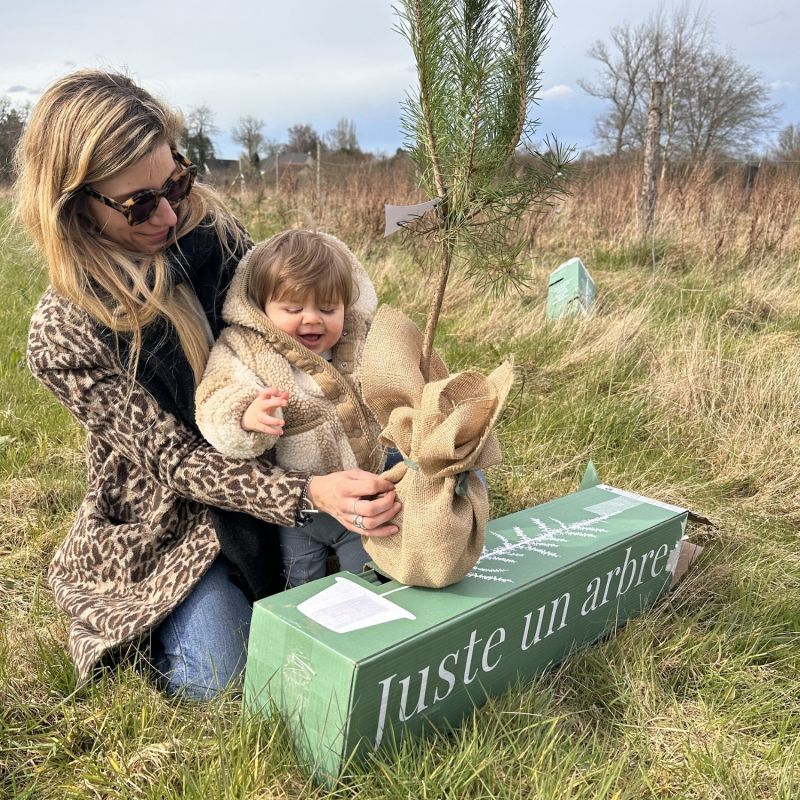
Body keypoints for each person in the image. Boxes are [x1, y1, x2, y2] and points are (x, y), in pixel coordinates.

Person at [15, 69, 400, 701]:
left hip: (289, 450)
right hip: (179, 516)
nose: (168, 213)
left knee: (433, 479)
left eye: (176, 181)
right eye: (139, 204)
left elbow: (295, 331)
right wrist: (311, 495)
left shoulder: (215, 238)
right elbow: (178, 463)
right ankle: (159, 624)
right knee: (226, 677)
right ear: (73, 206)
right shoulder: (62, 335)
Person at [195, 230, 385, 588]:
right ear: (262, 307)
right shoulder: (247, 347)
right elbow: (216, 394)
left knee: (371, 577)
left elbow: (395, 373)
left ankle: (370, 619)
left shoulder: (359, 339)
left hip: (363, 492)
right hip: (297, 508)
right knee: (298, 583)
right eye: (294, 309)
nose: (312, 320)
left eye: (328, 309)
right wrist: (245, 415)